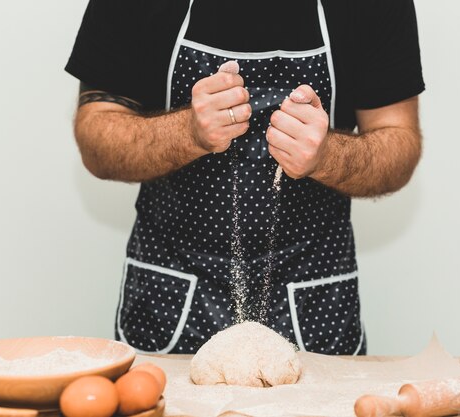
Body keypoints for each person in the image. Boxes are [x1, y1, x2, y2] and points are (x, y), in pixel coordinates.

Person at [65, 0, 425, 355]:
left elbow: (399, 143)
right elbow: (97, 138)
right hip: (171, 301)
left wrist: (328, 155)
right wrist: (187, 132)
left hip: (314, 305)